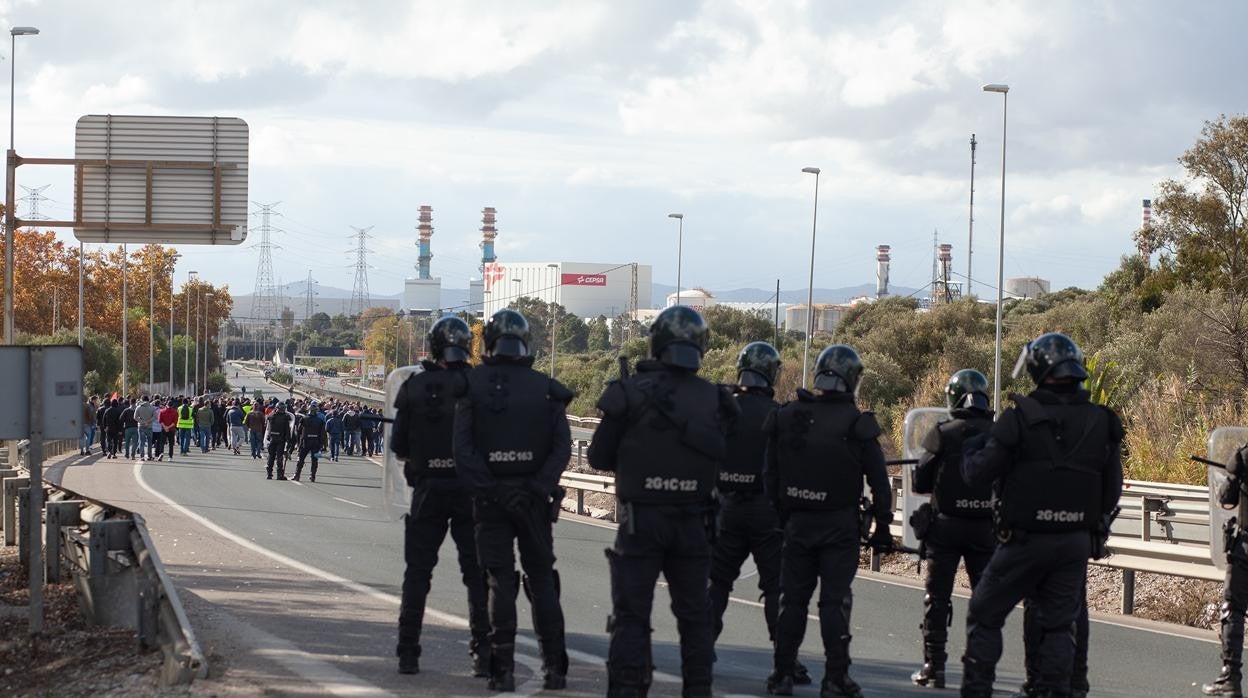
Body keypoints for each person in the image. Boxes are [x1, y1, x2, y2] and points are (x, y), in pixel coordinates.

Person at [960, 333, 1124, 698]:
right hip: (1073, 543)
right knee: (1059, 627)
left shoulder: (1018, 419)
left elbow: (978, 474)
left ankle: (977, 690)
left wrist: (971, 449)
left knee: (985, 613)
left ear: (1037, 370)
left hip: (1022, 541)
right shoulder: (1102, 421)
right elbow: (1113, 489)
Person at [588, 305, 734, 698]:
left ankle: (629, 690)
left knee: (632, 615)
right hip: (694, 524)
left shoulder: (630, 392)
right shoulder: (715, 398)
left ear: (656, 344)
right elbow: (729, 459)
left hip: (641, 522)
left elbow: (598, 457)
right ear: (701, 346)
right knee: (695, 618)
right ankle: (698, 690)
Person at [454, 309, 572, 692]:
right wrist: (538, 486)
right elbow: (561, 447)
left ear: (489, 342)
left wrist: (489, 487)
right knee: (541, 580)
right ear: (524, 342)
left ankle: (502, 669)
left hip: (491, 501)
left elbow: (463, 448)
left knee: (499, 581)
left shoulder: (471, 385)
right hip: (534, 500)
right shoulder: (545, 386)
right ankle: (555, 667)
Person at [764, 344, 892, 698]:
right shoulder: (857, 423)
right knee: (834, 602)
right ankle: (835, 679)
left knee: (792, 601)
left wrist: (779, 515)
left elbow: (769, 474)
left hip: (797, 524)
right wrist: (882, 526)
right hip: (839, 527)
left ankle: (781, 675)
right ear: (851, 380)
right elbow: (881, 483)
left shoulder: (787, 415)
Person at [391, 316, 491, 677]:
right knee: (476, 574)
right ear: (467, 345)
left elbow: (398, 445)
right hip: (471, 491)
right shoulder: (480, 384)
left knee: (417, 574)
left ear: (433, 347)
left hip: (428, 488)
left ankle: (407, 652)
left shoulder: (415, 387)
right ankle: (484, 653)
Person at [707, 342, 812, 683]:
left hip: (726, 510)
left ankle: (699, 650)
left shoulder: (722, 410)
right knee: (777, 588)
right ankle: (786, 661)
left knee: (717, 584)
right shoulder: (779, 413)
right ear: (770, 374)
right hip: (768, 513)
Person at [908, 369, 997, 689]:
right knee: (986, 601)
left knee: (938, 598)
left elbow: (920, 482)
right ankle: (981, 672)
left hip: (945, 527)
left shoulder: (943, 433)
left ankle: (935, 667)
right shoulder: (998, 433)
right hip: (986, 529)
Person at [1205, 442, 1248, 697]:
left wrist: (1235, 473)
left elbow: (1225, 498)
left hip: (1246, 549)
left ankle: (1230, 678)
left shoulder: (1244, 455)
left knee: (1233, 609)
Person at [293, 403, 327, 482]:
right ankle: (312, 476)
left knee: (300, 459)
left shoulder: (304, 419)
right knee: (314, 460)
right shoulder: (320, 421)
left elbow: (298, 431)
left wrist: (298, 443)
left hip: (305, 442)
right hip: (316, 442)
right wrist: (322, 445)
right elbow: (323, 434)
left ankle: (297, 475)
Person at [266, 402, 293, 480]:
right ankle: (279, 475)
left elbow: (268, 428)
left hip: (272, 439)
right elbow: (287, 430)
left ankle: (269, 474)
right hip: (281, 440)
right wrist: (289, 441)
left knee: (271, 456)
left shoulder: (271, 416)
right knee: (279, 457)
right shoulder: (285, 417)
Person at [135, 395, 158, 461]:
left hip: (141, 426)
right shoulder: (152, 407)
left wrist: (142, 422)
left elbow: (135, 417)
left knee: (141, 442)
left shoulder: (138, 407)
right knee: (149, 442)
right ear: (148, 400)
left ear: (142, 400)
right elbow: (155, 417)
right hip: (149, 426)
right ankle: (149, 455)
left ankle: (142, 456)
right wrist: (148, 421)